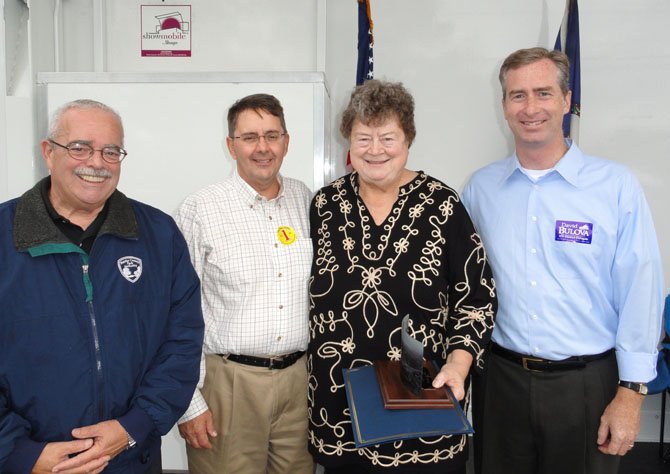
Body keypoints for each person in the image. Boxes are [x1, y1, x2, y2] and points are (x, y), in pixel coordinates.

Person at [462, 47, 665, 474]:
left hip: (587, 386)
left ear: (567, 100)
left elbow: (640, 293)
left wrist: (631, 394)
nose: (530, 108)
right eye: (517, 96)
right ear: (503, 106)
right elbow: (465, 286)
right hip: (501, 382)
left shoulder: (615, 187)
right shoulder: (480, 190)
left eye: (543, 93)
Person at [0, 99, 204, 474]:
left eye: (111, 151)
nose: (96, 162)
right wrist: (21, 453)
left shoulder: (158, 235)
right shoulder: (3, 236)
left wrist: (134, 426)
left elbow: (183, 340)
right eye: (79, 147)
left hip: (130, 455)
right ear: (49, 152)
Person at [308, 79, 497, 473]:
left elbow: (477, 297)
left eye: (387, 138)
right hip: (340, 405)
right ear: (348, 141)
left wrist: (460, 365)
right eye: (363, 138)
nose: (375, 150)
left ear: (408, 138)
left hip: (424, 398)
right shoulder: (325, 206)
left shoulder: (443, 205)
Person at [175, 93, 314, 474]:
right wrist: (189, 403)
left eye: (272, 135)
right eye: (249, 137)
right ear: (230, 146)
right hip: (228, 384)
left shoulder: (306, 200)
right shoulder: (200, 209)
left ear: (287, 141)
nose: (262, 148)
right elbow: (174, 313)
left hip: (298, 382)